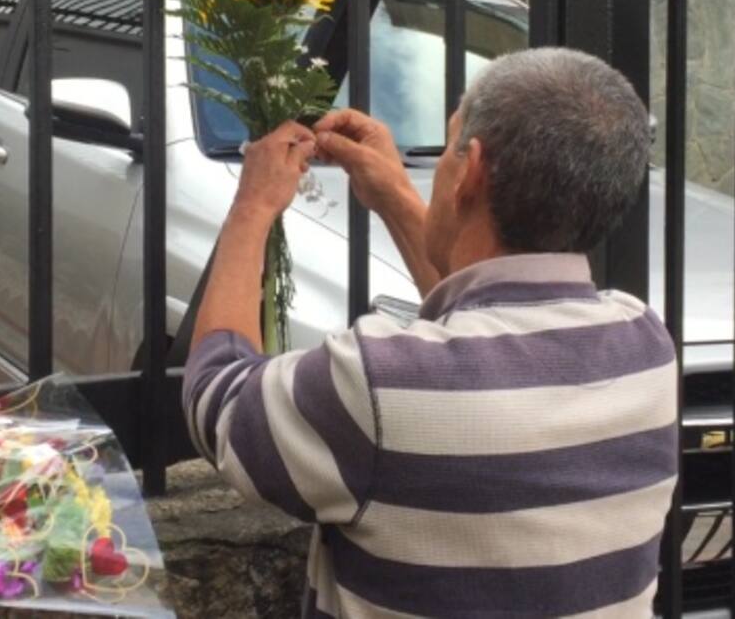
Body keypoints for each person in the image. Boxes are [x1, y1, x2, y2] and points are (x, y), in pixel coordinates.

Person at [181, 47, 678, 618]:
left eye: (448, 150)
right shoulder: (646, 348)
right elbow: (486, 323)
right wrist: (394, 195)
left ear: (471, 171)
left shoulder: (380, 386)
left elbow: (218, 399)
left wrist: (252, 205)